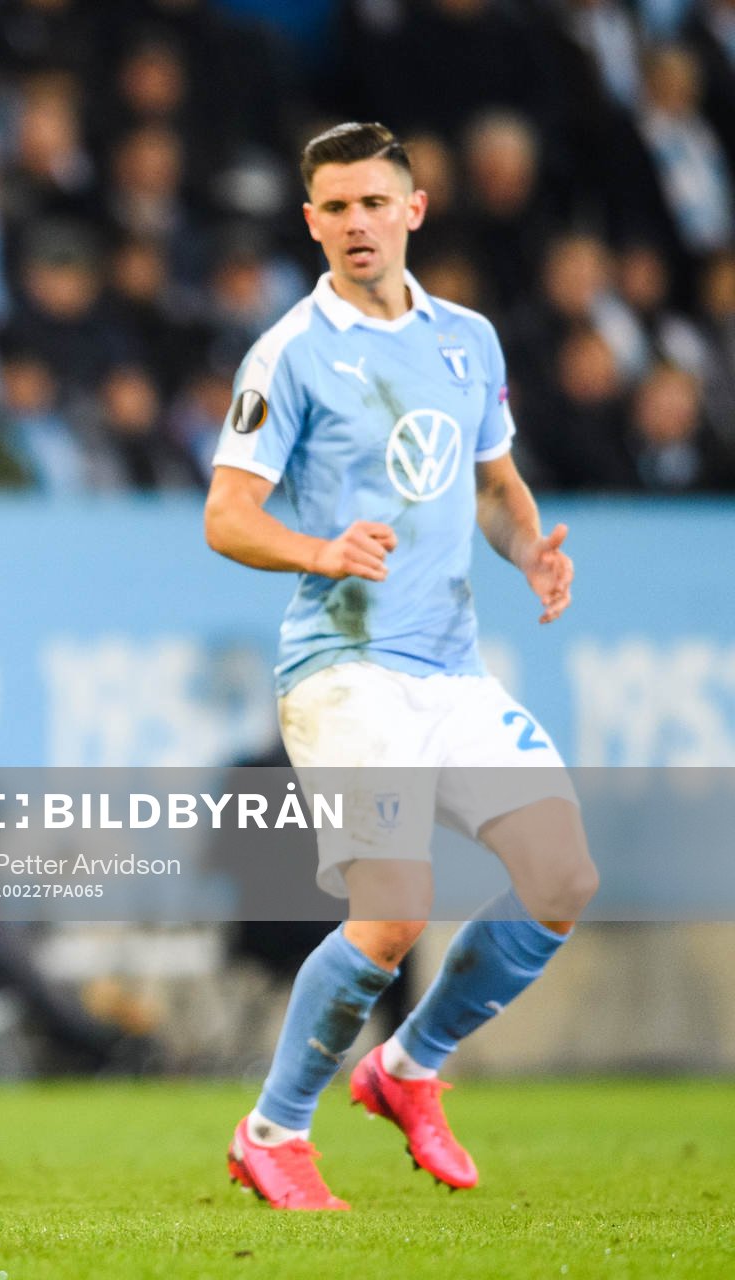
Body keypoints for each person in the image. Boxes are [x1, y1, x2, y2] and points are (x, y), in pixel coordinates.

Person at [203, 123, 598, 1211]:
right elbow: (227, 514)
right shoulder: (289, 353)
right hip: (344, 668)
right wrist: (319, 550)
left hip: (451, 666)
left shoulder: (468, 339)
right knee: (394, 910)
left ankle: (408, 1065)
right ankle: (273, 1130)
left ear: (413, 209)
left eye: (374, 202)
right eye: (335, 207)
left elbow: (491, 485)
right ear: (311, 222)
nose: (357, 223)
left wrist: (531, 551)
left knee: (560, 878)